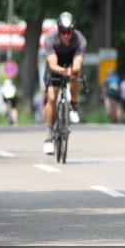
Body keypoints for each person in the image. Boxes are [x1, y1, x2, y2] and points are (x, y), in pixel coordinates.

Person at [41, 12, 86, 154]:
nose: (66, 35)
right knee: (52, 98)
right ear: (58, 30)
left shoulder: (80, 40)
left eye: (69, 32)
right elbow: (53, 64)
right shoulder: (50, 38)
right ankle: (48, 138)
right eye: (63, 32)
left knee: (77, 74)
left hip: (71, 64)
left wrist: (72, 70)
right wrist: (63, 71)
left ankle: (73, 104)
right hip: (55, 67)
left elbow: (78, 62)